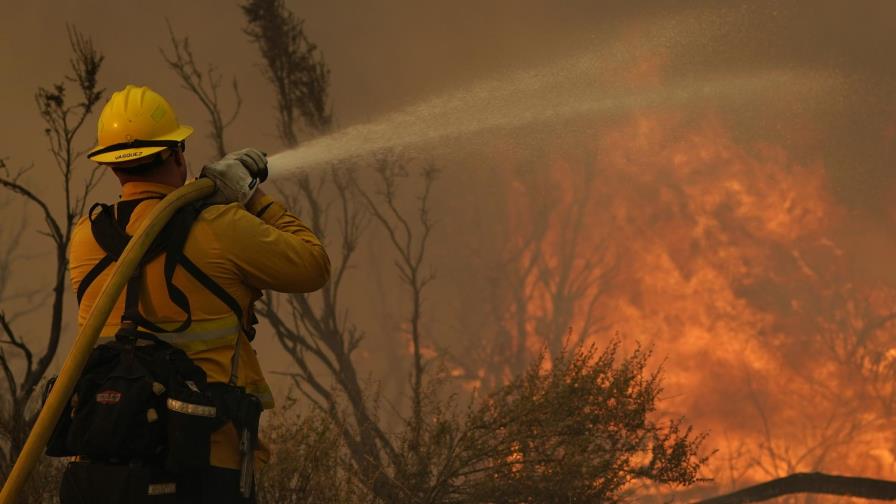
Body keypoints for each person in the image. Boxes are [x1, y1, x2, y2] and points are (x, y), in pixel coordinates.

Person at [63, 84, 330, 503]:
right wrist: (251, 197)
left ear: (114, 167)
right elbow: (313, 264)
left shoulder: (85, 239)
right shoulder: (220, 228)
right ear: (175, 153)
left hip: (101, 468)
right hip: (205, 460)